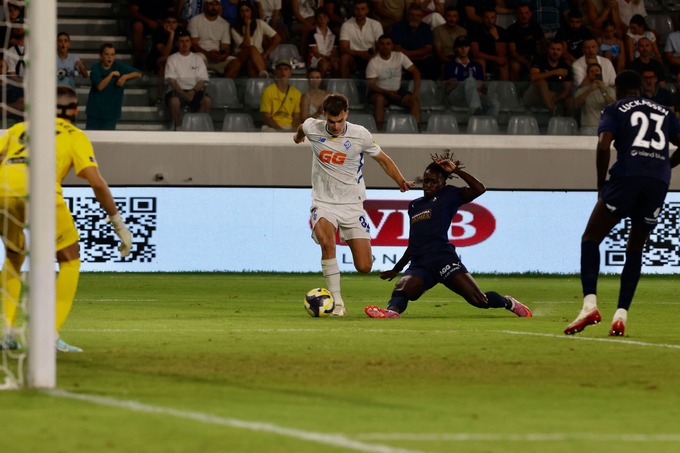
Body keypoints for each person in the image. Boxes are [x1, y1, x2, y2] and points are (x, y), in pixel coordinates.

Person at [0, 86, 133, 352]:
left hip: (3, 191)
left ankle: (5, 332)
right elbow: (97, 183)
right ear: (75, 111)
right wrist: (118, 223)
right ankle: (47, 334)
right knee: (70, 258)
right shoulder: (74, 135)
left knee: (14, 256)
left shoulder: (19, 129)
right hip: (41, 193)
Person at [564, 70, 680, 337]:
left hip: (627, 178)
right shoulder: (665, 112)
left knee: (591, 238)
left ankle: (589, 306)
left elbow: (604, 145)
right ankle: (621, 316)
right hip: (657, 183)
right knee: (635, 248)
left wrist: (600, 185)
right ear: (641, 88)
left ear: (617, 88)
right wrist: (665, 165)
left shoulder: (614, 109)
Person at [365, 154, 532, 319]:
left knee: (479, 300)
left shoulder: (449, 194)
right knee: (402, 289)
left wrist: (456, 170)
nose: (428, 185)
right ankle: (391, 312)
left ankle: (509, 302)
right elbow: (414, 242)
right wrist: (397, 269)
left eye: (433, 181)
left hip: (443, 259)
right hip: (421, 263)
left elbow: (479, 189)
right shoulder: (415, 205)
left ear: (443, 183)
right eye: (426, 181)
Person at [292, 93, 414, 316]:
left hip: (352, 204)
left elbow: (383, 159)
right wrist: (297, 137)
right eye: (331, 121)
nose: (336, 126)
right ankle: (337, 303)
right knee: (327, 243)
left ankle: (345, 239)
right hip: (323, 201)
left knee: (364, 266)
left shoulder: (360, 135)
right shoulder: (313, 128)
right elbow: (302, 127)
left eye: (340, 121)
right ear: (324, 115)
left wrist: (400, 181)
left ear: (346, 114)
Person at [366, 34, 421, 131]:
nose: (385, 46)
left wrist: (415, 93)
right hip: (380, 92)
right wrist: (387, 92)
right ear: (378, 45)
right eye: (382, 44)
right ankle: (379, 131)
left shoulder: (399, 56)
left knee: (414, 101)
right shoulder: (373, 62)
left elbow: (416, 72)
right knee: (379, 99)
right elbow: (371, 85)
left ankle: (417, 131)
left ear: (392, 46)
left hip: (396, 91)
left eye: (388, 44)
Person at [85, 43, 142, 130]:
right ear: (101, 55)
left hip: (111, 113)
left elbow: (138, 73)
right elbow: (100, 86)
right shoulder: (96, 68)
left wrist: (125, 77)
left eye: (112, 54)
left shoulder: (119, 66)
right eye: (106, 54)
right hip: (95, 112)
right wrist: (111, 75)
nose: (109, 57)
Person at [165, 31, 212, 130]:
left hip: (194, 91)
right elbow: (172, 81)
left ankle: (199, 128)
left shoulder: (198, 58)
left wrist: (193, 91)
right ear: (177, 43)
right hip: (177, 91)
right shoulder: (172, 59)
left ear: (191, 43)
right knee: (173, 101)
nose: (184, 44)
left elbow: (202, 80)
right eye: (181, 41)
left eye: (187, 41)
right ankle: (178, 128)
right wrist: (183, 94)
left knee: (207, 101)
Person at [443, 35, 499, 117]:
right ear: (455, 49)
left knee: (494, 104)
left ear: (469, 48)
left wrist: (470, 87)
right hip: (456, 96)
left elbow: (481, 84)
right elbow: (449, 85)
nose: (463, 49)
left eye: (466, 46)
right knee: (470, 80)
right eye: (460, 47)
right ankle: (476, 111)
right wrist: (466, 84)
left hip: (475, 95)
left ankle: (488, 123)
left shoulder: (476, 66)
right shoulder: (450, 65)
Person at [229, 0, 281, 78]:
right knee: (251, 48)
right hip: (241, 55)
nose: (245, 14)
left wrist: (266, 54)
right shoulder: (234, 28)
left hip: (257, 56)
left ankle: (257, 82)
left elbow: (277, 38)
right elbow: (246, 45)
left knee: (251, 63)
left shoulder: (260, 23)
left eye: (247, 10)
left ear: (251, 12)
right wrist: (247, 26)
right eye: (242, 11)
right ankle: (262, 72)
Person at [522, 39, 573, 115]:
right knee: (541, 81)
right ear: (548, 49)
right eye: (553, 49)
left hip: (554, 96)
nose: (555, 52)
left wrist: (556, 98)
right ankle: (553, 112)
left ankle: (567, 120)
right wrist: (554, 72)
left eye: (558, 50)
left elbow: (568, 86)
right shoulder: (539, 59)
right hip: (534, 94)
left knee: (569, 97)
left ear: (562, 51)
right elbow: (533, 77)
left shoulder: (564, 65)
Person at [391, 2, 440, 81]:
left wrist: (411, 54)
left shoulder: (426, 28)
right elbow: (396, 48)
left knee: (432, 62)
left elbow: (428, 48)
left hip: (421, 59)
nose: (415, 18)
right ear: (408, 15)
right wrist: (411, 55)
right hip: (403, 59)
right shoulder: (398, 27)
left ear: (421, 17)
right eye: (412, 15)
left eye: (418, 15)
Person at [188, 0, 237, 77]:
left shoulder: (224, 24)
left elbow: (226, 47)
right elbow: (193, 45)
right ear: (205, 5)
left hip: (217, 57)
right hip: (202, 55)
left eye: (216, 4)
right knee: (198, 58)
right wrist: (208, 54)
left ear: (219, 6)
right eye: (211, 4)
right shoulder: (195, 20)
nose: (214, 7)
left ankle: (224, 84)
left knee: (236, 62)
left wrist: (223, 56)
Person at [338, 0, 384, 78]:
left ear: (367, 10)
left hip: (371, 55)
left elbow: (380, 46)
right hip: (353, 55)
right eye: (357, 9)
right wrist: (360, 53)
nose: (360, 12)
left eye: (362, 9)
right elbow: (343, 48)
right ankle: (345, 84)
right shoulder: (346, 25)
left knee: (380, 56)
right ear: (353, 10)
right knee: (344, 58)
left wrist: (372, 58)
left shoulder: (375, 24)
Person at [506, 3, 547, 81]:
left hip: (534, 56)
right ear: (517, 14)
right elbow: (513, 52)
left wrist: (542, 58)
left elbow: (543, 43)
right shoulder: (511, 29)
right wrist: (527, 62)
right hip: (518, 58)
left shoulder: (536, 27)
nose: (524, 16)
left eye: (526, 13)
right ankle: (515, 88)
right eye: (521, 13)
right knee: (514, 66)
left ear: (530, 14)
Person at [130, 0, 176, 69]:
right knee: (137, 26)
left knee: (171, 25)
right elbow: (133, 11)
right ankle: (138, 59)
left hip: (162, 22)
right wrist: (148, 21)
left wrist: (163, 21)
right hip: (144, 21)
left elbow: (171, 11)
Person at [572, 62, 615, 135]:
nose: (594, 73)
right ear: (587, 74)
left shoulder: (610, 90)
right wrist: (589, 90)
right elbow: (575, 105)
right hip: (587, 127)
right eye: (591, 71)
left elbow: (613, 106)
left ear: (601, 73)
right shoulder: (581, 91)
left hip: (606, 126)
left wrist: (603, 91)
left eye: (596, 71)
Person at [260, 59, 303, 131]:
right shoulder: (268, 91)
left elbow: (296, 117)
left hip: (289, 126)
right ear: (276, 72)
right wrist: (280, 130)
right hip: (272, 127)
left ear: (290, 72)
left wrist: (293, 129)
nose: (283, 72)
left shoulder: (296, 93)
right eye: (280, 69)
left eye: (286, 69)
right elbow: (267, 116)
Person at [469, 8, 510, 81]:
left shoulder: (501, 31)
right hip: (481, 59)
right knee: (481, 62)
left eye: (492, 18)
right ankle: (481, 87)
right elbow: (475, 53)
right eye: (487, 18)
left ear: (496, 18)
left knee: (503, 64)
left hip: (494, 62)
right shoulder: (475, 30)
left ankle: (503, 87)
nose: (490, 21)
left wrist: (496, 38)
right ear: (482, 18)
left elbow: (502, 54)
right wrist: (495, 58)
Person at [147, 14, 180, 101]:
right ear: (163, 23)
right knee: (164, 62)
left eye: (174, 22)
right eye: (168, 22)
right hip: (156, 62)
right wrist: (171, 35)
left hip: (176, 61)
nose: (171, 25)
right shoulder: (158, 32)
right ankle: (160, 96)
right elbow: (165, 53)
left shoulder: (181, 32)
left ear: (177, 24)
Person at [306, 8, 340, 77]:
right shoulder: (312, 33)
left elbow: (334, 51)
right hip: (316, 58)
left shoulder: (333, 34)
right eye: (320, 17)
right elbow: (315, 52)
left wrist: (330, 58)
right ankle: (321, 83)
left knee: (337, 64)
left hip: (330, 57)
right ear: (316, 19)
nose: (322, 20)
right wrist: (326, 58)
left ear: (328, 19)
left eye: (324, 17)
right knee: (324, 64)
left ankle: (335, 82)